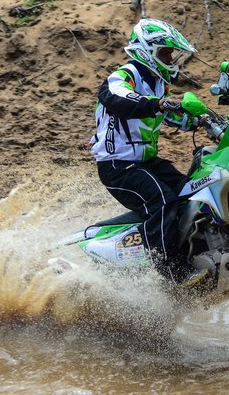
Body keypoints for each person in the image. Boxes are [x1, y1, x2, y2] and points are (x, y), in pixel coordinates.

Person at [89, 18, 209, 287]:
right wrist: (160, 104)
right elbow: (118, 99)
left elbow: (171, 117)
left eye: (170, 54)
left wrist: (202, 120)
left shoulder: (158, 85)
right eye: (165, 53)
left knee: (192, 192)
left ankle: (196, 252)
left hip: (145, 162)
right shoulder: (123, 76)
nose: (170, 59)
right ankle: (172, 271)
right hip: (118, 167)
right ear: (146, 51)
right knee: (163, 202)